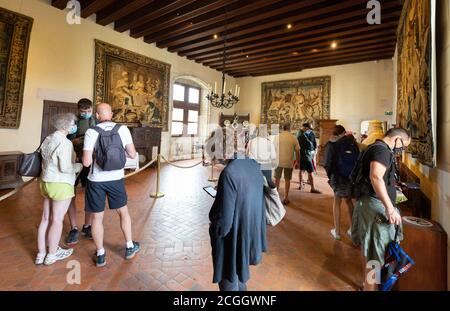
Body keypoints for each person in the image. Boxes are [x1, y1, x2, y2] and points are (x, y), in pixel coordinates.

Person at [351, 127, 410, 291]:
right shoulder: (382, 151)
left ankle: (366, 286)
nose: (402, 149)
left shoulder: (374, 147)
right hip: (374, 206)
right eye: (403, 145)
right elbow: (376, 176)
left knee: (369, 252)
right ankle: (370, 289)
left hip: (368, 204)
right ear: (396, 139)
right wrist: (390, 208)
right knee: (374, 258)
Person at [82, 103, 140, 267]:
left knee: (97, 217)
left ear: (97, 115)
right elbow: (132, 154)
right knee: (123, 213)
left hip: (96, 181)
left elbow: (86, 163)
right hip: (116, 179)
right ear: (112, 114)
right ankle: (129, 246)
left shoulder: (91, 131)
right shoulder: (123, 129)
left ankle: (100, 254)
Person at [209, 157, 267, 291]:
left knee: (229, 283)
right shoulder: (253, 165)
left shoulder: (229, 173)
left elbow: (223, 225)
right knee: (240, 279)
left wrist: (213, 228)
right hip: (248, 234)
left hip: (231, 243)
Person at [36, 113, 83, 265]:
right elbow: (65, 168)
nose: (74, 125)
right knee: (56, 220)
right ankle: (52, 254)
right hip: (60, 184)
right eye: (73, 123)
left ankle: (41, 253)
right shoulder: (65, 142)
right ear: (66, 126)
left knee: (45, 219)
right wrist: (79, 166)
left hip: (45, 182)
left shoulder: (48, 138)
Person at [66, 98, 97, 245]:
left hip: (90, 161)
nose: (86, 114)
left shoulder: (95, 121)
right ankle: (73, 228)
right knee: (70, 193)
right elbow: (67, 139)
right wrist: (78, 140)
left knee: (90, 192)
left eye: (89, 111)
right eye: (83, 112)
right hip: (73, 160)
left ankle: (87, 225)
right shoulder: (72, 122)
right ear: (78, 110)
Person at [324, 125, 359, 240]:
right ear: (344, 132)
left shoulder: (332, 144)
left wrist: (330, 176)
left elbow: (328, 163)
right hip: (350, 177)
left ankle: (337, 232)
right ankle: (352, 230)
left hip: (338, 177)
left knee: (337, 203)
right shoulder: (353, 143)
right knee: (349, 202)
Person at [274, 123, 300, 204]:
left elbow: (273, 148)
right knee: (287, 180)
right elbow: (298, 151)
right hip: (289, 161)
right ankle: (286, 198)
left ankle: (276, 197)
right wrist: (298, 162)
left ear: (282, 128)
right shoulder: (293, 137)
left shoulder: (277, 137)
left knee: (277, 179)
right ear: (289, 128)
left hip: (278, 161)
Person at [297, 123, 321, 193]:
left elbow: (313, 143)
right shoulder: (300, 135)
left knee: (303, 170)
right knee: (309, 171)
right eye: (309, 129)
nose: (310, 130)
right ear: (305, 128)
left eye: (310, 129)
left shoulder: (309, 134)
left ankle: (303, 184)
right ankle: (311, 188)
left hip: (307, 155)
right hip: (305, 155)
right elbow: (303, 146)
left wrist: (314, 150)